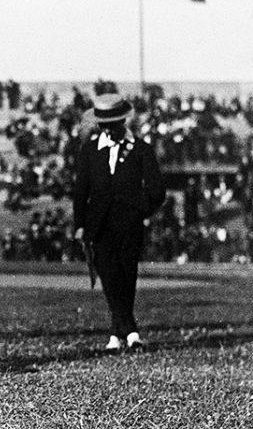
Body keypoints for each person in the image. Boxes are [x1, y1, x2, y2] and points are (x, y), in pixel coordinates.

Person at [73, 93, 166, 351]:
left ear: (123, 121)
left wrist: (139, 209)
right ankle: (131, 330)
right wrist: (80, 224)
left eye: (112, 124)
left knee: (126, 276)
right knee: (109, 275)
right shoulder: (90, 150)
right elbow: (81, 191)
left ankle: (117, 335)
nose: (107, 130)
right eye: (103, 125)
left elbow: (157, 190)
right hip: (98, 224)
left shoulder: (141, 149)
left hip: (129, 223)